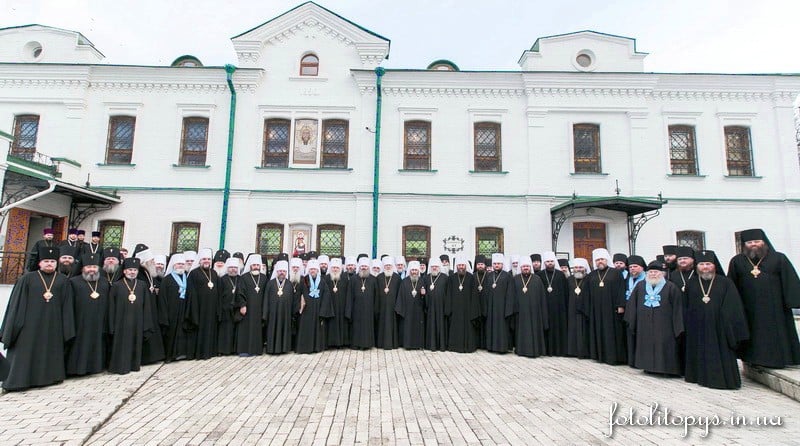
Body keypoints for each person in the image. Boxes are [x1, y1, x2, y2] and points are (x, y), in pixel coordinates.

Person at [1, 246, 75, 391]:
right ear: (40, 263)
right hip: (28, 325)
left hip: (53, 325)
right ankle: (19, 382)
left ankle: (48, 379)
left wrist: (67, 328)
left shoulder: (62, 281)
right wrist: (16, 325)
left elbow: (67, 307)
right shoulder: (27, 279)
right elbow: (17, 304)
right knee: (24, 353)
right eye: (46, 261)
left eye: (52, 262)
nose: (49, 264)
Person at [728, 228, 800, 368]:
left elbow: (789, 280)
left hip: (776, 307)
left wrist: (793, 301)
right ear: (744, 244)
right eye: (749, 242)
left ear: (764, 242)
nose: (753, 244)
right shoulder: (737, 261)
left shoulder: (779, 258)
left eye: (757, 241)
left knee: (777, 334)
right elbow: (732, 285)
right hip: (749, 308)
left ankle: (780, 360)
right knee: (754, 335)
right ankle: (755, 361)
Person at [684, 250, 749, 389]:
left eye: (708, 264)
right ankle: (699, 377)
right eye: (701, 264)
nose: (705, 267)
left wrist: (724, 319)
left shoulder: (725, 282)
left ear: (714, 265)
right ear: (697, 266)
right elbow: (686, 305)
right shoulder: (691, 283)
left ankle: (722, 380)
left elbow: (734, 306)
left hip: (720, 327)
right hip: (698, 326)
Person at [625, 261, 684, 376]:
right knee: (646, 343)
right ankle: (647, 367)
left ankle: (665, 369)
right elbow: (632, 304)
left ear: (662, 273)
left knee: (664, 344)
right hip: (644, 324)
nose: (653, 274)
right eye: (650, 272)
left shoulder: (671, 287)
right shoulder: (640, 286)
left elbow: (677, 307)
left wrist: (677, 326)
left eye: (655, 272)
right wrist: (632, 320)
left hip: (664, 324)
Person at [65, 253, 110, 376]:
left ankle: (96, 368)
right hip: (80, 322)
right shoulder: (73, 282)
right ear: (82, 268)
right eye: (88, 266)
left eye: (94, 267)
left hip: (99, 322)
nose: (91, 269)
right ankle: (77, 370)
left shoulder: (104, 283)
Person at [107, 257, 154, 375]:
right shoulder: (116, 285)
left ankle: (134, 365)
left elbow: (147, 305)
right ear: (124, 271)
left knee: (135, 343)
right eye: (130, 270)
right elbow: (111, 306)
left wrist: (146, 323)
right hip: (120, 322)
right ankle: (119, 367)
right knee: (121, 344)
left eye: (135, 270)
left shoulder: (142, 285)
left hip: (137, 321)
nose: (132, 272)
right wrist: (111, 325)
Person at [581, 248, 627, 365]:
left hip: (611, 310)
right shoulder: (591, 275)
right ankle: (599, 355)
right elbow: (586, 294)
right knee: (598, 331)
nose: (599, 262)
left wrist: (621, 305)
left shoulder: (616, 273)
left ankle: (612, 357)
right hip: (596, 311)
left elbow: (622, 290)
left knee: (612, 333)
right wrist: (587, 309)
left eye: (602, 259)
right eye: (597, 260)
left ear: (606, 260)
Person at [507, 256, 548, 358]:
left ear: (530, 267)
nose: (525, 268)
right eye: (524, 266)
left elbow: (542, 298)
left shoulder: (537, 279)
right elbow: (511, 296)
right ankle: (521, 350)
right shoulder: (515, 279)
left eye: (527, 266)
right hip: (520, 312)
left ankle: (535, 350)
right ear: (520, 268)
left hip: (535, 313)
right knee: (521, 332)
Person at [185, 248, 221, 360]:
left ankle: (209, 352)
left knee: (210, 329)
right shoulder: (193, 274)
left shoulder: (214, 273)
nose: (206, 261)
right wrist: (194, 310)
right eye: (204, 259)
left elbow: (218, 291)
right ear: (199, 261)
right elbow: (191, 293)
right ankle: (199, 353)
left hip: (212, 308)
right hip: (199, 308)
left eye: (209, 259)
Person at [295, 260, 334, 354]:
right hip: (306, 311)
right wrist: (299, 306)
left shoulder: (322, 281)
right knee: (305, 329)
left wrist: (323, 311)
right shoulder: (303, 280)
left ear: (317, 270)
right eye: (311, 269)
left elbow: (326, 296)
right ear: (308, 270)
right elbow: (298, 295)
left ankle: (316, 347)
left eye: (314, 269)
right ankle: (305, 348)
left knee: (318, 329)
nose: (313, 271)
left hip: (318, 310)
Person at [160, 253, 193, 361]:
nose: (181, 266)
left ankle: (181, 354)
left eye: (182, 264)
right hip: (171, 311)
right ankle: (170, 355)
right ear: (173, 265)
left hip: (184, 309)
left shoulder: (187, 278)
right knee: (171, 333)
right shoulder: (167, 279)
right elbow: (162, 299)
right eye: (179, 264)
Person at [234, 254, 267, 356]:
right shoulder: (244, 277)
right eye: (254, 265)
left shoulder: (264, 278)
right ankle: (244, 350)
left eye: (257, 265)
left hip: (259, 309)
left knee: (257, 329)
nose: (256, 267)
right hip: (247, 309)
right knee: (245, 329)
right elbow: (240, 292)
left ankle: (256, 350)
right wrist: (242, 305)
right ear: (250, 266)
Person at [446, 256, 480, 353]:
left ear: (465, 266)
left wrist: (474, 310)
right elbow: (448, 294)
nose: (461, 267)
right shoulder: (451, 278)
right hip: (455, 310)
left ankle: (468, 347)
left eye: (462, 265)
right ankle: (454, 347)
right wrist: (448, 310)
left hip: (468, 310)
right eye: (459, 265)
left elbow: (474, 295)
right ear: (456, 266)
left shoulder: (471, 278)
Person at [538, 251, 568, 356]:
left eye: (551, 261)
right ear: (544, 263)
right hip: (545, 307)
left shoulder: (560, 275)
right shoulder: (540, 275)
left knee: (558, 328)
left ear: (554, 262)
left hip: (559, 307)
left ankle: (559, 350)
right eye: (547, 262)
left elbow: (565, 292)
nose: (550, 263)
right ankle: (546, 350)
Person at [263, 260, 297, 354]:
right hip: (272, 313)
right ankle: (271, 349)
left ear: (286, 272)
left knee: (284, 330)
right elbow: (266, 298)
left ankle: (283, 349)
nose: (282, 273)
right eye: (280, 271)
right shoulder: (270, 283)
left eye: (284, 271)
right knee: (272, 330)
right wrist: (265, 314)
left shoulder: (289, 284)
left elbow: (292, 300)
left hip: (285, 314)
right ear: (276, 271)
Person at [485, 253, 513, 353]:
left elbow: (510, 294)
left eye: (498, 264)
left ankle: (502, 348)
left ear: (502, 264)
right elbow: (485, 293)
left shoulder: (507, 276)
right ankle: (491, 347)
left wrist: (508, 309)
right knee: (491, 326)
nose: (496, 265)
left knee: (502, 328)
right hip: (491, 307)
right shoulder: (489, 276)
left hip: (502, 308)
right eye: (495, 263)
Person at [346, 257, 377, 349]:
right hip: (356, 309)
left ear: (368, 267)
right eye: (362, 266)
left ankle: (367, 344)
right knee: (356, 327)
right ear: (359, 267)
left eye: (365, 266)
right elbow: (349, 295)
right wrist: (349, 311)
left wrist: (375, 310)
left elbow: (376, 296)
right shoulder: (353, 279)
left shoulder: (373, 279)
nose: (364, 268)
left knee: (367, 327)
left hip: (369, 309)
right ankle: (355, 344)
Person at [395, 261, 426, 350]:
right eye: (412, 270)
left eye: (416, 270)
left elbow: (426, 299)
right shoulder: (404, 281)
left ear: (418, 271)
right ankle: (407, 345)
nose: (414, 272)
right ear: (409, 271)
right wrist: (401, 310)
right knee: (407, 327)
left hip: (418, 310)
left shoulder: (422, 281)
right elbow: (400, 296)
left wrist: (424, 295)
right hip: (407, 310)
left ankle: (417, 345)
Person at [566, 258, 591, 359]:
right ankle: (573, 351)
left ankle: (585, 352)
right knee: (573, 330)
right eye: (576, 267)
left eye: (580, 267)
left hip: (585, 310)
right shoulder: (569, 280)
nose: (578, 269)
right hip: (572, 309)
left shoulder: (589, 279)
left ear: (585, 269)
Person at [424, 257, 449, 351]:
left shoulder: (445, 277)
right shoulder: (426, 278)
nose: (434, 268)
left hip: (441, 307)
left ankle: (442, 345)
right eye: (432, 266)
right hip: (430, 307)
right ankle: (431, 345)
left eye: (436, 266)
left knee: (441, 326)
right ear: (430, 267)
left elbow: (448, 293)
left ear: (439, 267)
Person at [375, 257, 400, 350]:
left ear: (392, 266)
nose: (388, 267)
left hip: (393, 307)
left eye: (389, 265)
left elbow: (399, 293)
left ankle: (393, 343)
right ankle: (380, 343)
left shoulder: (397, 278)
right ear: (383, 266)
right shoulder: (379, 277)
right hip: (381, 307)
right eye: (386, 265)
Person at [325, 258, 350, 348]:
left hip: (342, 307)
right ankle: (330, 343)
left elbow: (348, 293)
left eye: (337, 268)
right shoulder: (326, 278)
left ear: (340, 268)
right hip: (330, 306)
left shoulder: (345, 278)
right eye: (333, 268)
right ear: (330, 268)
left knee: (342, 324)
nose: (335, 269)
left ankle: (341, 343)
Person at [218, 257, 240, 356]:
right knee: (225, 331)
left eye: (235, 267)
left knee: (236, 331)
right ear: (227, 268)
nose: (233, 269)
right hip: (225, 308)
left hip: (237, 309)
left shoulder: (240, 279)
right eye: (231, 267)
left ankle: (234, 349)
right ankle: (223, 350)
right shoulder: (222, 279)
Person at [473, 255, 490, 350]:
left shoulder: (489, 276)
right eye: (478, 264)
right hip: (476, 303)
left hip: (486, 303)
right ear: (476, 266)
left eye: (482, 264)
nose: (480, 266)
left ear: (485, 266)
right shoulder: (472, 276)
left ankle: (485, 344)